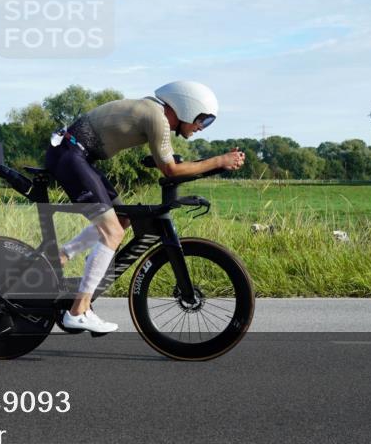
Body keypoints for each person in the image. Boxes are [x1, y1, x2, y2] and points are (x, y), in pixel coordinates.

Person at [44, 80, 246, 334]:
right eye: (202, 120)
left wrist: (219, 163)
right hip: (71, 156)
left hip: (75, 154)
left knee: (123, 219)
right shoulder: (157, 118)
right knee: (113, 232)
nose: (200, 128)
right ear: (187, 107)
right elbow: (170, 168)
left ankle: (60, 257)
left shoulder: (153, 112)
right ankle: (78, 311)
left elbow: (169, 165)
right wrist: (218, 160)